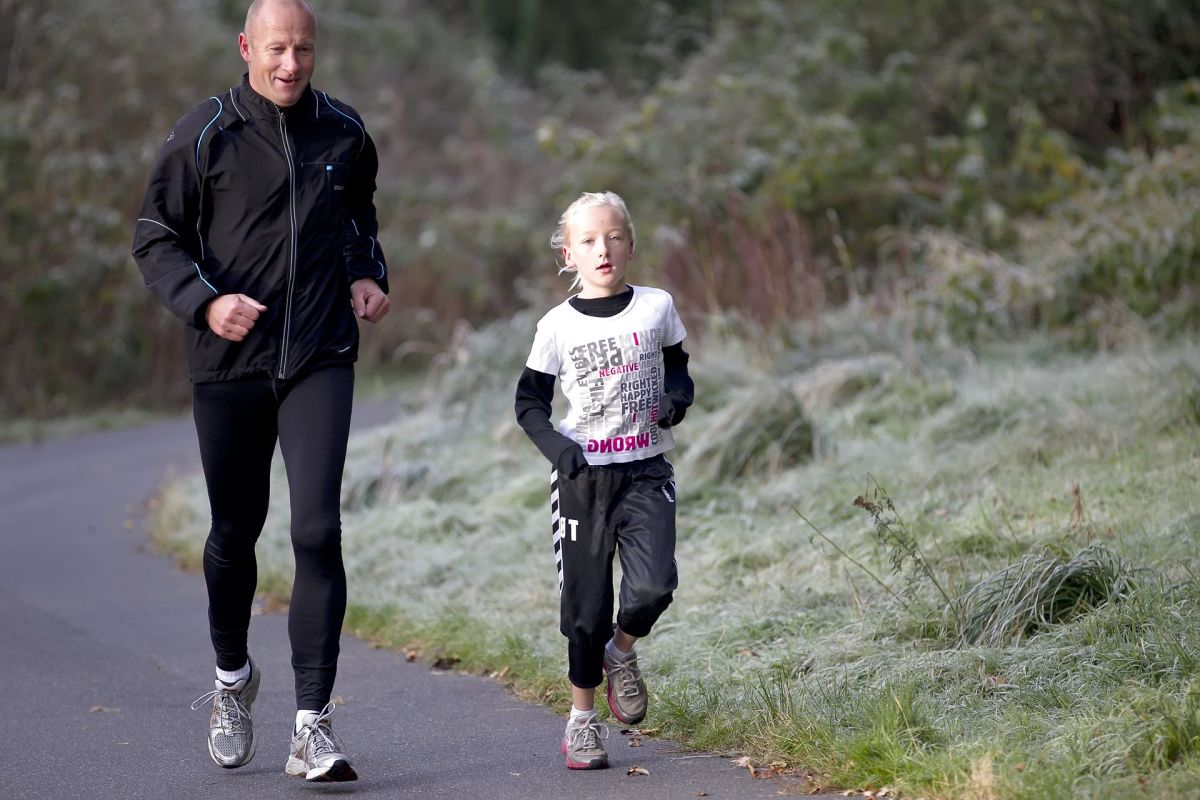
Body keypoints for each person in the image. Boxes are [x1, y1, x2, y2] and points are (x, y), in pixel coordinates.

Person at [131, 0, 389, 783]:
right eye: (277, 49)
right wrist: (206, 302)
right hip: (229, 363)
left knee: (316, 530)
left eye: (303, 50)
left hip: (319, 354)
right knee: (234, 534)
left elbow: (358, 217)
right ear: (246, 47)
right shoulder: (204, 133)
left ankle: (313, 725)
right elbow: (155, 235)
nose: (290, 65)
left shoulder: (344, 131)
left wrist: (367, 272)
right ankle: (233, 679)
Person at [514, 191, 695, 770]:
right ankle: (582, 721)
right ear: (569, 255)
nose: (603, 248)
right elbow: (528, 404)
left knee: (653, 587)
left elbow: (680, 372)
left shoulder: (657, 307)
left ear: (631, 245)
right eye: (588, 241)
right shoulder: (556, 326)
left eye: (614, 236)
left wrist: (673, 403)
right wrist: (559, 450)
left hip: (646, 471)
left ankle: (622, 652)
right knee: (585, 609)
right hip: (584, 481)